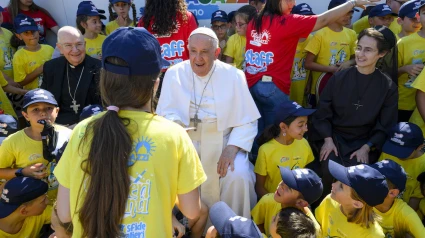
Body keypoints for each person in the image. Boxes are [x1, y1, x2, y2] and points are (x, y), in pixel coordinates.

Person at [54, 27, 206, 238]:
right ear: (155, 84)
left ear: (105, 81)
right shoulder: (174, 135)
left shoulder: (82, 130)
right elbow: (191, 210)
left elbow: (64, 213)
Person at [244, 0, 378, 160]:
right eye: (287, 0)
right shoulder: (286, 21)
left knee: (258, 134)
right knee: (276, 136)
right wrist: (352, 3)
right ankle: (269, 172)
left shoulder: (255, 20)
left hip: (251, 85)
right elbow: (323, 20)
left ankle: (256, 168)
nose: (292, 3)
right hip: (272, 88)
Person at [157, 27, 260, 218]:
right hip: (187, 145)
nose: (198, 58)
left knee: (239, 175)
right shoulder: (174, 74)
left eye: (204, 52)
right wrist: (176, 127)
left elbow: (247, 120)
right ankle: (184, 225)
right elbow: (164, 114)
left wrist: (232, 147)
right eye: (193, 51)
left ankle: (233, 227)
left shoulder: (234, 76)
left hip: (224, 143)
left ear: (217, 53)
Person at [311, 27, 398, 199]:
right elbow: (323, 111)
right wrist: (327, 139)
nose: (360, 54)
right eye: (359, 47)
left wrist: (367, 147)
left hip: (364, 142)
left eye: (368, 50)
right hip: (334, 138)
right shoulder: (339, 78)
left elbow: (386, 124)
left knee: (357, 177)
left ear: (381, 54)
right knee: (329, 171)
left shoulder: (388, 87)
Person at [0, 88, 71, 202]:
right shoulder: (12, 142)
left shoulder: (68, 135)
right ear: (25, 115)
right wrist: (22, 172)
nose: (43, 113)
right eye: (36, 109)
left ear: (57, 111)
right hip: (32, 207)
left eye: (49, 108)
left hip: (62, 202)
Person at [41, 26, 101, 126]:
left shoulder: (99, 68)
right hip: (59, 125)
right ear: (60, 48)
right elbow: (45, 100)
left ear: (84, 44)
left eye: (79, 44)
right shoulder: (51, 67)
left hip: (91, 124)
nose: (75, 50)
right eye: (68, 45)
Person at [254, 101, 315, 199]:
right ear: (283, 127)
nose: (306, 129)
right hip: (273, 203)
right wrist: (276, 203)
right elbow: (259, 187)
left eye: (306, 124)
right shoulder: (265, 150)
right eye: (300, 125)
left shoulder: (304, 143)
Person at [138, 0, 198, 99]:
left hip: (155, 78)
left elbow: (142, 56)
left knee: (158, 113)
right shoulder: (187, 17)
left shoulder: (144, 21)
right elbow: (195, 50)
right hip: (182, 75)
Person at [305, 0, 357, 106]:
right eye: (345, 13)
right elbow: (308, 64)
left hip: (342, 86)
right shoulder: (320, 34)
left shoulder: (351, 34)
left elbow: (355, 59)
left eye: (350, 13)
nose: (349, 16)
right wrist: (330, 69)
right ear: (333, 12)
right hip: (319, 88)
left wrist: (348, 63)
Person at [316, 161, 387, 237]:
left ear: (357, 204)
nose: (333, 184)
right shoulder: (329, 201)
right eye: (338, 181)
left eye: (341, 187)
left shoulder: (373, 235)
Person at [251, 167, 322, 236]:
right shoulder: (268, 200)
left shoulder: (312, 232)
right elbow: (256, 223)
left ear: (300, 202)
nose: (281, 185)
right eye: (284, 180)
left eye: (288, 187)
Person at [371, 160, 425, 237]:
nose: (366, 183)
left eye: (374, 182)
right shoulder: (358, 201)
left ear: (393, 192)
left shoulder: (406, 214)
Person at [378, 122, 425, 211]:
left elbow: (416, 198)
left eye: (403, 152)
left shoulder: (423, 165)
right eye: (394, 149)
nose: (397, 154)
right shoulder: (388, 152)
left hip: (403, 209)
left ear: (420, 147)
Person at [397, 0, 425, 122]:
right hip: (405, 105)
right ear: (419, 17)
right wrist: (405, 69)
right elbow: (386, 74)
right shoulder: (404, 43)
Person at [12, 14, 54, 90]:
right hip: (35, 96)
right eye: (26, 33)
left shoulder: (49, 48)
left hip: (53, 91)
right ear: (19, 36)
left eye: (33, 31)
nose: (31, 35)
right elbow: (20, 82)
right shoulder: (19, 56)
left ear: (38, 31)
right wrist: (40, 69)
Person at [289, 3, 315, 106]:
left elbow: (312, 64)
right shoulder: (286, 38)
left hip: (302, 87)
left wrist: (309, 83)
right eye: (303, 19)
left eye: (309, 18)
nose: (306, 23)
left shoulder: (312, 39)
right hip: (286, 88)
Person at [224, 5, 256, 70]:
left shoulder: (260, 39)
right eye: (236, 23)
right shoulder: (232, 39)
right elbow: (228, 65)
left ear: (252, 23)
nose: (237, 27)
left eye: (240, 24)